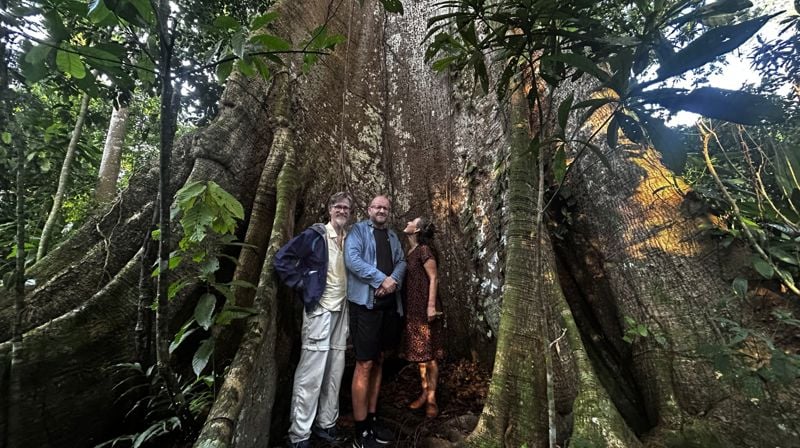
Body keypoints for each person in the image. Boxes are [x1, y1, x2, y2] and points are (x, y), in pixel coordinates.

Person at [274, 192, 353, 448]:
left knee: (335, 369)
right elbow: (282, 259)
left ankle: (326, 424)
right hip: (320, 310)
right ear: (330, 210)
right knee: (311, 372)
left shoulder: (349, 239)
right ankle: (299, 435)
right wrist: (303, 285)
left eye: (346, 208)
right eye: (338, 207)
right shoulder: (316, 235)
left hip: (342, 311)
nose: (342, 211)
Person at [344, 195, 407, 448]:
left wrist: (393, 282)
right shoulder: (358, 231)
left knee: (379, 360)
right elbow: (353, 260)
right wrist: (381, 279)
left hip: (389, 307)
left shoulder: (392, 237)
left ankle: (372, 418)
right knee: (365, 363)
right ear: (369, 209)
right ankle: (360, 431)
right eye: (377, 207)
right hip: (365, 307)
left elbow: (402, 262)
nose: (381, 210)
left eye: (385, 208)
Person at [400, 217, 444, 418]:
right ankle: (425, 392)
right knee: (421, 355)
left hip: (426, 307)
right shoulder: (410, 251)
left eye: (412, 221)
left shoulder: (424, 250)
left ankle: (432, 398)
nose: (407, 221)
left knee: (431, 355)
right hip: (414, 309)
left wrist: (431, 306)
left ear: (416, 229)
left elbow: (434, 278)